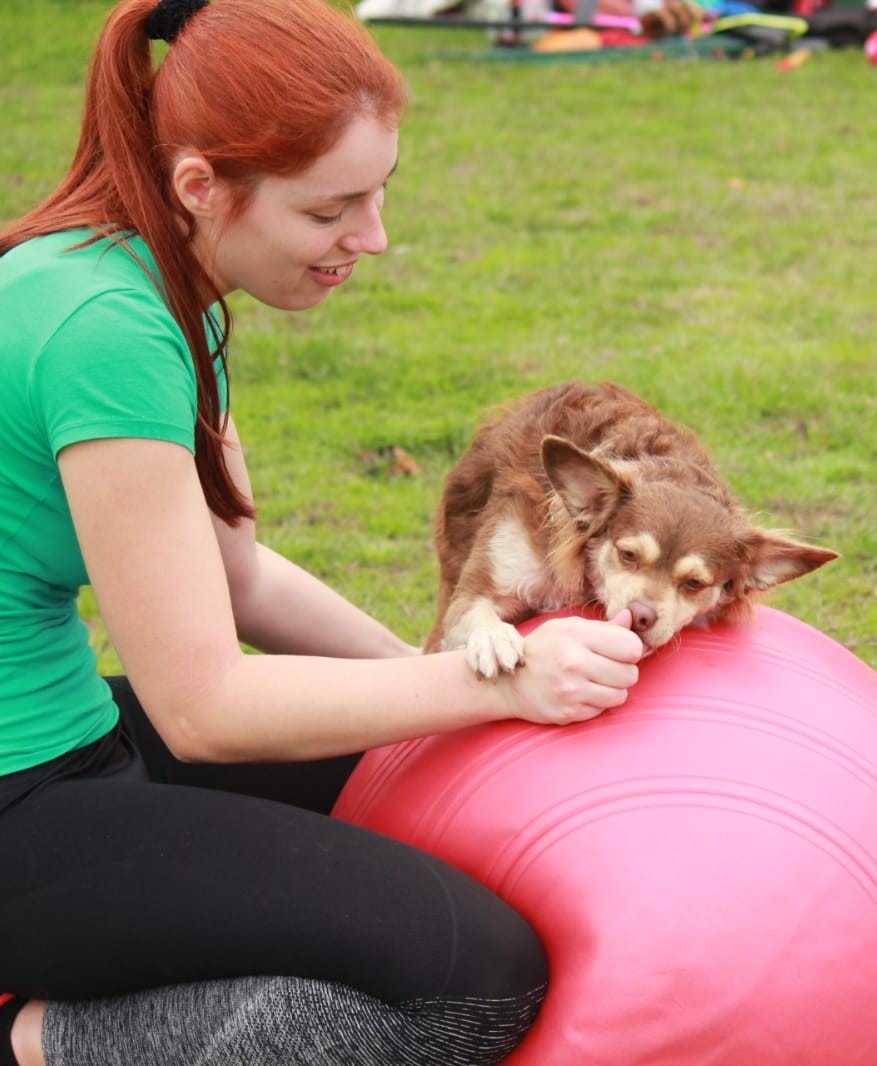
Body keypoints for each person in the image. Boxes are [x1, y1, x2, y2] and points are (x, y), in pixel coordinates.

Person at [0, 0, 644, 1062]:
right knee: (471, 985)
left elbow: (237, 580)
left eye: (378, 194)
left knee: (405, 777)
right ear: (201, 185)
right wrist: (501, 682)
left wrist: (436, 686)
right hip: (23, 799)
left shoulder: (154, 281)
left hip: (73, 742)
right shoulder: (104, 330)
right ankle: (34, 1040)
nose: (374, 238)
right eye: (332, 208)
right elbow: (203, 706)